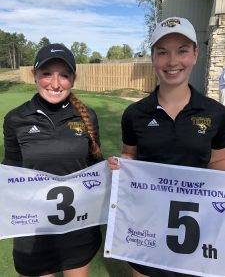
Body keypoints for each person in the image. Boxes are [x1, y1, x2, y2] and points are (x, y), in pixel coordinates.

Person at [108, 17, 225, 277]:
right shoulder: (135, 114)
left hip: (199, 228)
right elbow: (130, 156)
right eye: (162, 53)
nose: (172, 62)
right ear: (153, 58)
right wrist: (120, 168)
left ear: (195, 54)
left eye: (182, 50)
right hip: (146, 226)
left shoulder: (216, 113)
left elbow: (218, 162)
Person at [2, 43, 103, 277]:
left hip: (79, 224)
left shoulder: (87, 115)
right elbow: (12, 169)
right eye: (46, 74)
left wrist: (111, 168)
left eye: (64, 76)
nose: (55, 84)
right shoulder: (16, 119)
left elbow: (95, 165)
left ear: (73, 79)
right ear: (34, 75)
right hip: (33, 227)